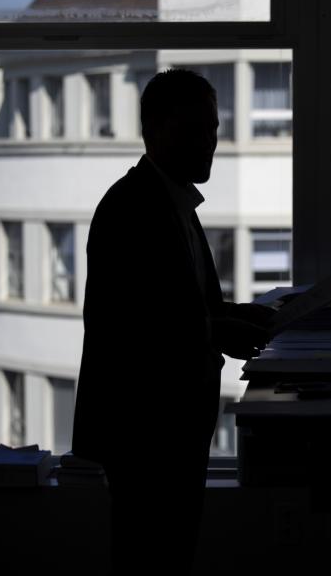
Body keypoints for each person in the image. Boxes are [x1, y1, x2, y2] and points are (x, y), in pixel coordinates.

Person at [71, 68, 273, 572]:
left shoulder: (173, 201)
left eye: (214, 130)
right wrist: (224, 329)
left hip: (171, 434)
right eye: (195, 130)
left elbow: (187, 308)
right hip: (146, 439)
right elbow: (131, 330)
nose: (210, 143)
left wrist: (254, 316)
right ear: (155, 130)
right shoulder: (132, 210)